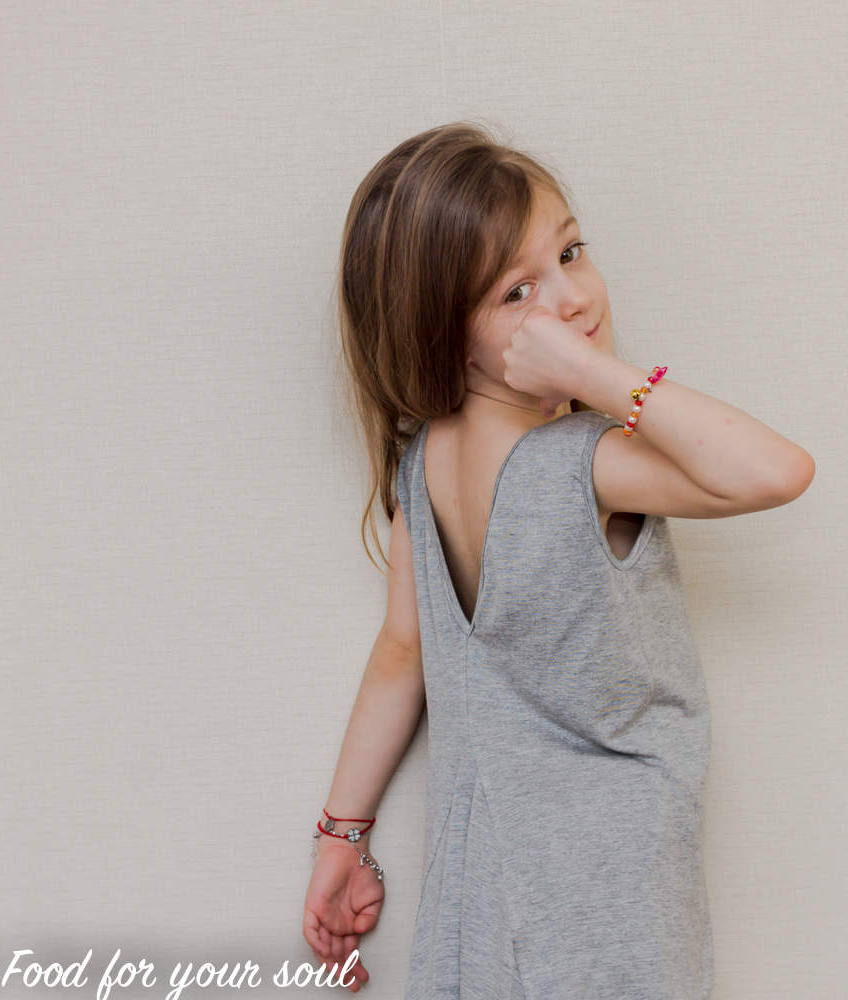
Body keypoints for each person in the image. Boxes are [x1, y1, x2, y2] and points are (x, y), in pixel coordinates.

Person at [302, 120, 815, 997]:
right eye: (518, 292)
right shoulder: (586, 461)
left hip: (481, 891)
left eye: (571, 252)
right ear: (442, 330)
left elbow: (402, 654)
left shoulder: (423, 465)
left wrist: (340, 835)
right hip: (612, 900)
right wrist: (599, 376)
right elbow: (777, 471)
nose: (572, 299)